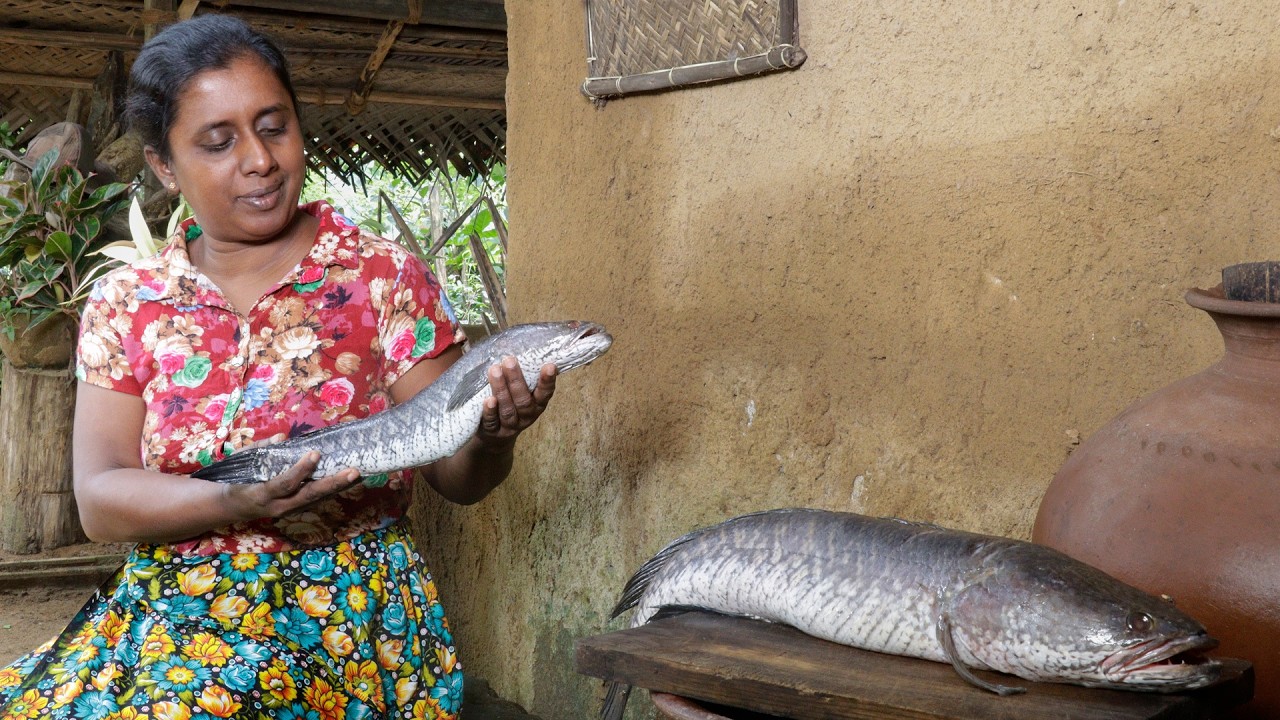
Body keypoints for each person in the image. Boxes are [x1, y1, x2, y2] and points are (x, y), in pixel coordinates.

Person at [0, 14, 553, 720]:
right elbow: (102, 498)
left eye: (274, 126)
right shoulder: (127, 303)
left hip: (351, 617)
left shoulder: (382, 277)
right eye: (218, 141)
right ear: (165, 167)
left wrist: (491, 434)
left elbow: (457, 478)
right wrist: (231, 503)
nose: (259, 160)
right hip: (171, 615)